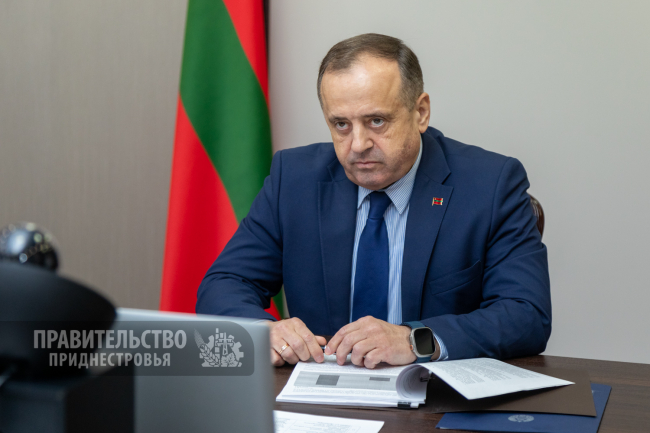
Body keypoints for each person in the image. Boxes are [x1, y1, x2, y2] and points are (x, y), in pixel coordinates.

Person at [196, 33, 551, 369]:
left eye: (376, 121)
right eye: (341, 124)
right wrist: (265, 330)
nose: (358, 144)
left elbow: (526, 315)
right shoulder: (294, 180)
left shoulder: (490, 185)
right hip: (321, 395)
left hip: (434, 396)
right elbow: (224, 283)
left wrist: (414, 340)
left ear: (420, 112)